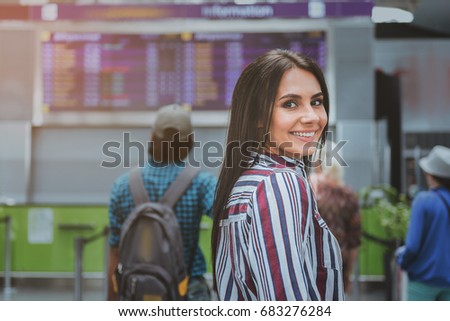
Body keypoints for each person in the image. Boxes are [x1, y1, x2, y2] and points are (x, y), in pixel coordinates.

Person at [211, 49, 344, 300]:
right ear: (258, 116)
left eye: (316, 101)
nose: (312, 117)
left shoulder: (249, 180)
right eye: (290, 104)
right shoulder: (278, 183)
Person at [107, 104, 217, 301]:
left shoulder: (123, 185)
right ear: (190, 142)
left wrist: (111, 300)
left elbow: (115, 252)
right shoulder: (203, 183)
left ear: (152, 138)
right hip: (188, 289)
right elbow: (227, 221)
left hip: (135, 290)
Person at [396, 145, 450, 301]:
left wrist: (402, 260)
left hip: (423, 280)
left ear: (430, 174)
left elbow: (412, 246)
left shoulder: (423, 200)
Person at [310, 142, 361, 295]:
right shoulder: (349, 195)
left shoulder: (310, 187)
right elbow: (353, 242)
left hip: (313, 264)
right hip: (339, 264)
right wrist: (348, 274)